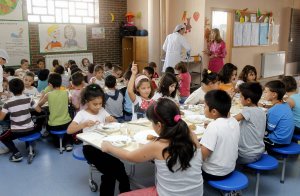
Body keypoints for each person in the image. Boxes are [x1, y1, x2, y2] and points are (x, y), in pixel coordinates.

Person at [102, 98, 203, 196]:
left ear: (159, 125)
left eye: (152, 122)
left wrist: (109, 147)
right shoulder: (191, 135)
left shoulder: (158, 146)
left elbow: (129, 157)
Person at [67, 84, 130, 196]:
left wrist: (112, 119)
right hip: (90, 149)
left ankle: (126, 192)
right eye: (94, 104)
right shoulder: (82, 114)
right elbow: (69, 130)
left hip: (105, 145)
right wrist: (83, 124)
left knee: (119, 165)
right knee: (109, 173)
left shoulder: (102, 110)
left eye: (100, 103)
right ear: (87, 101)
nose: (98, 106)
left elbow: (114, 121)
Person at [200, 90, 240, 180]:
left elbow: (202, 156)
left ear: (214, 112)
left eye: (205, 106)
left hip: (213, 172)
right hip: (230, 168)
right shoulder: (234, 121)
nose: (203, 108)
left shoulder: (213, 126)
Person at [0, 78, 41, 162]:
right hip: (30, 129)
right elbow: (39, 110)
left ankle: (16, 153)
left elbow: (1, 118)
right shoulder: (29, 99)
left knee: (2, 137)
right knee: (31, 124)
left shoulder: (7, 103)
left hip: (17, 132)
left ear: (10, 89)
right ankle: (29, 148)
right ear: (23, 88)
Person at [38, 73, 73, 151]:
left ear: (50, 84)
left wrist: (43, 94)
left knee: (47, 125)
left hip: (54, 124)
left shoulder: (48, 95)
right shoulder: (66, 92)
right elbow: (69, 101)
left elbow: (39, 104)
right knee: (67, 127)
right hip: (67, 122)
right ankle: (68, 143)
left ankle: (58, 145)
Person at [234, 82, 266, 164]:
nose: (239, 99)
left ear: (248, 100)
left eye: (241, 97)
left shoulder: (248, 110)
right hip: (260, 151)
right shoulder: (261, 111)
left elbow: (232, 120)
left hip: (246, 156)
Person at [263, 80, 294, 154]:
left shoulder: (274, 110)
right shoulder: (285, 104)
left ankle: (264, 153)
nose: (264, 93)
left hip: (278, 141)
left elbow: (269, 129)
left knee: (254, 136)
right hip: (287, 139)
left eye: (266, 92)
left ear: (274, 95)